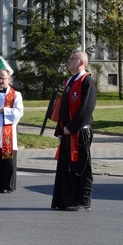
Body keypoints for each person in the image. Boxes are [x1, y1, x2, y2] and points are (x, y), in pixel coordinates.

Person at [51, 50, 97, 211]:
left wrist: (71, 127)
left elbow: (86, 109)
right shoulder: (70, 81)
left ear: (81, 63)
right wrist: (60, 130)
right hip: (67, 132)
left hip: (80, 132)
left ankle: (83, 200)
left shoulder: (87, 81)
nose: (68, 61)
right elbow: (63, 108)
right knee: (67, 167)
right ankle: (66, 199)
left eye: (72, 59)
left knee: (81, 168)